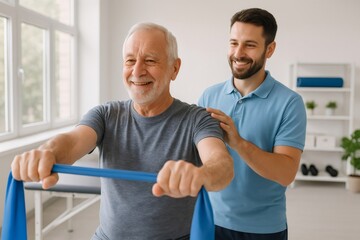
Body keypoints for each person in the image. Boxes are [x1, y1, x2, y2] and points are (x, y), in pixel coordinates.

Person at [11, 22, 234, 240]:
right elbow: (71, 142)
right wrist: (47, 152)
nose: (137, 71)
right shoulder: (105, 115)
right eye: (130, 60)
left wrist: (201, 174)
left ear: (174, 68)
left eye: (150, 60)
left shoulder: (197, 119)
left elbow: (221, 164)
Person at [198, 8, 306, 240]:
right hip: (209, 220)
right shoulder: (209, 96)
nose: (238, 53)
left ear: (270, 49)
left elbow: (286, 173)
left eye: (249, 45)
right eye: (234, 43)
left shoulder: (290, 103)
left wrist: (237, 142)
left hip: (263, 230)